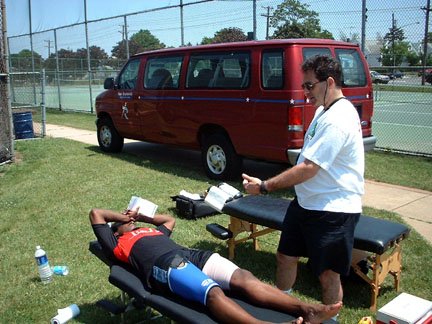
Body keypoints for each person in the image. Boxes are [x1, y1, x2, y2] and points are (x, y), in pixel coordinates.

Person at [242, 55, 364, 306]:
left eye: (309, 85)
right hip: (306, 204)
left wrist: (265, 186)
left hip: (333, 210)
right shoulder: (322, 110)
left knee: (328, 274)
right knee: (285, 256)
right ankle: (281, 308)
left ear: (329, 82)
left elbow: (309, 168)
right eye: (304, 86)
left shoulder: (338, 118)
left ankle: (330, 321)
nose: (305, 92)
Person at [89, 207, 342, 324]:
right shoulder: (117, 243)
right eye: (127, 223)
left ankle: (306, 309)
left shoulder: (149, 231)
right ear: (116, 230)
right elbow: (95, 213)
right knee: (213, 293)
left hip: (190, 255)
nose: (132, 223)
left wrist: (143, 217)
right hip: (165, 266)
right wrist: (123, 218)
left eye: (133, 222)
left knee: (244, 278)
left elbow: (169, 220)